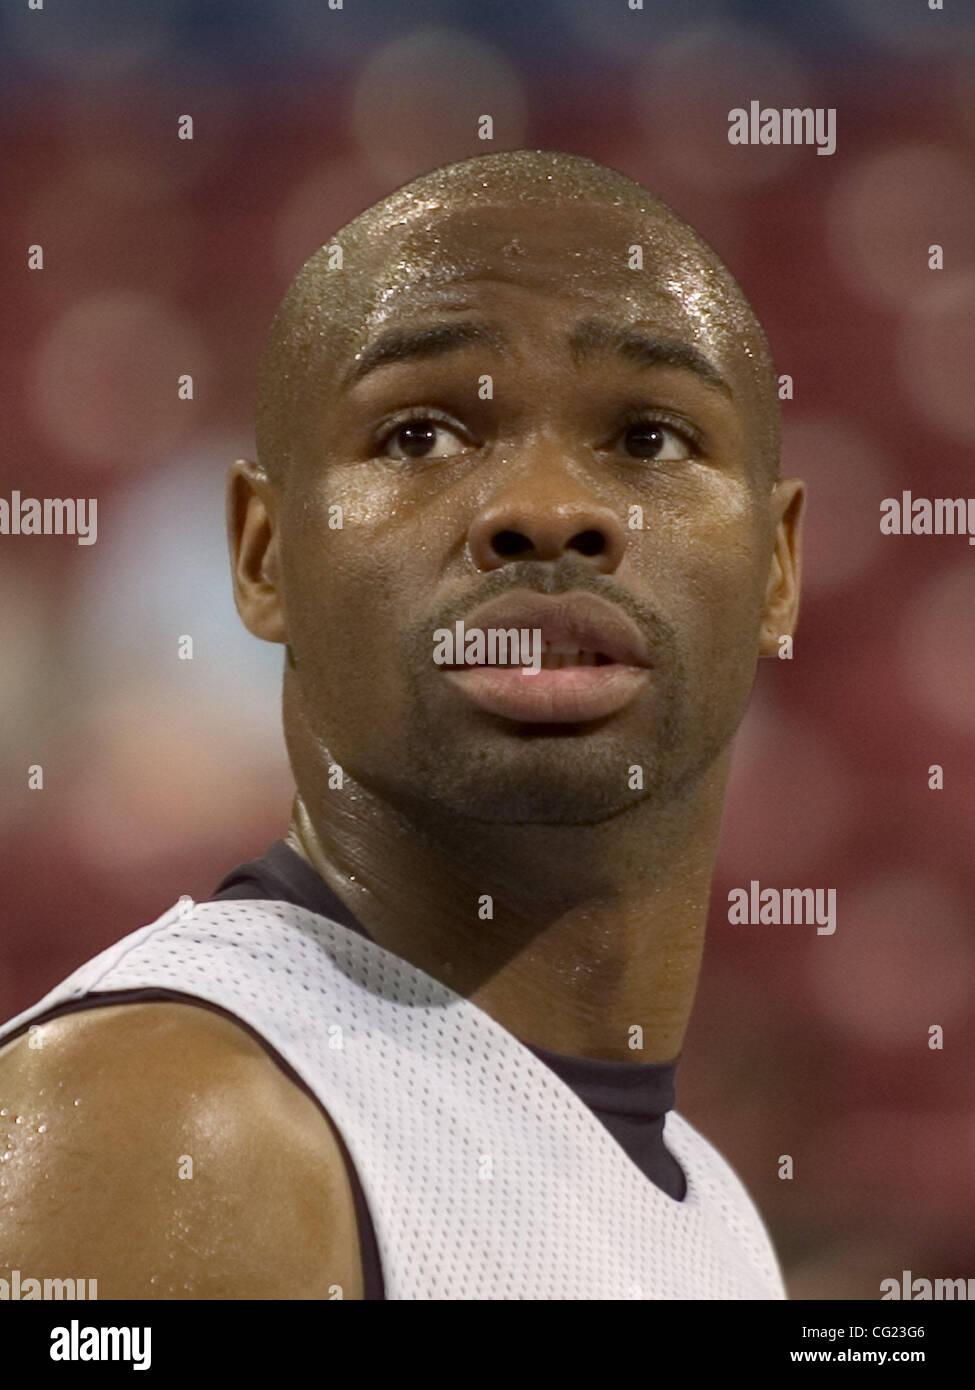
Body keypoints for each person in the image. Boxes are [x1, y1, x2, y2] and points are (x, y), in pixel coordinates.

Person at [0, 148, 803, 1300]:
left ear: (778, 572)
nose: (548, 511)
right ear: (261, 553)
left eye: (648, 439)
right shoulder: (170, 1124)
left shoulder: (712, 1209)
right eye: (421, 434)